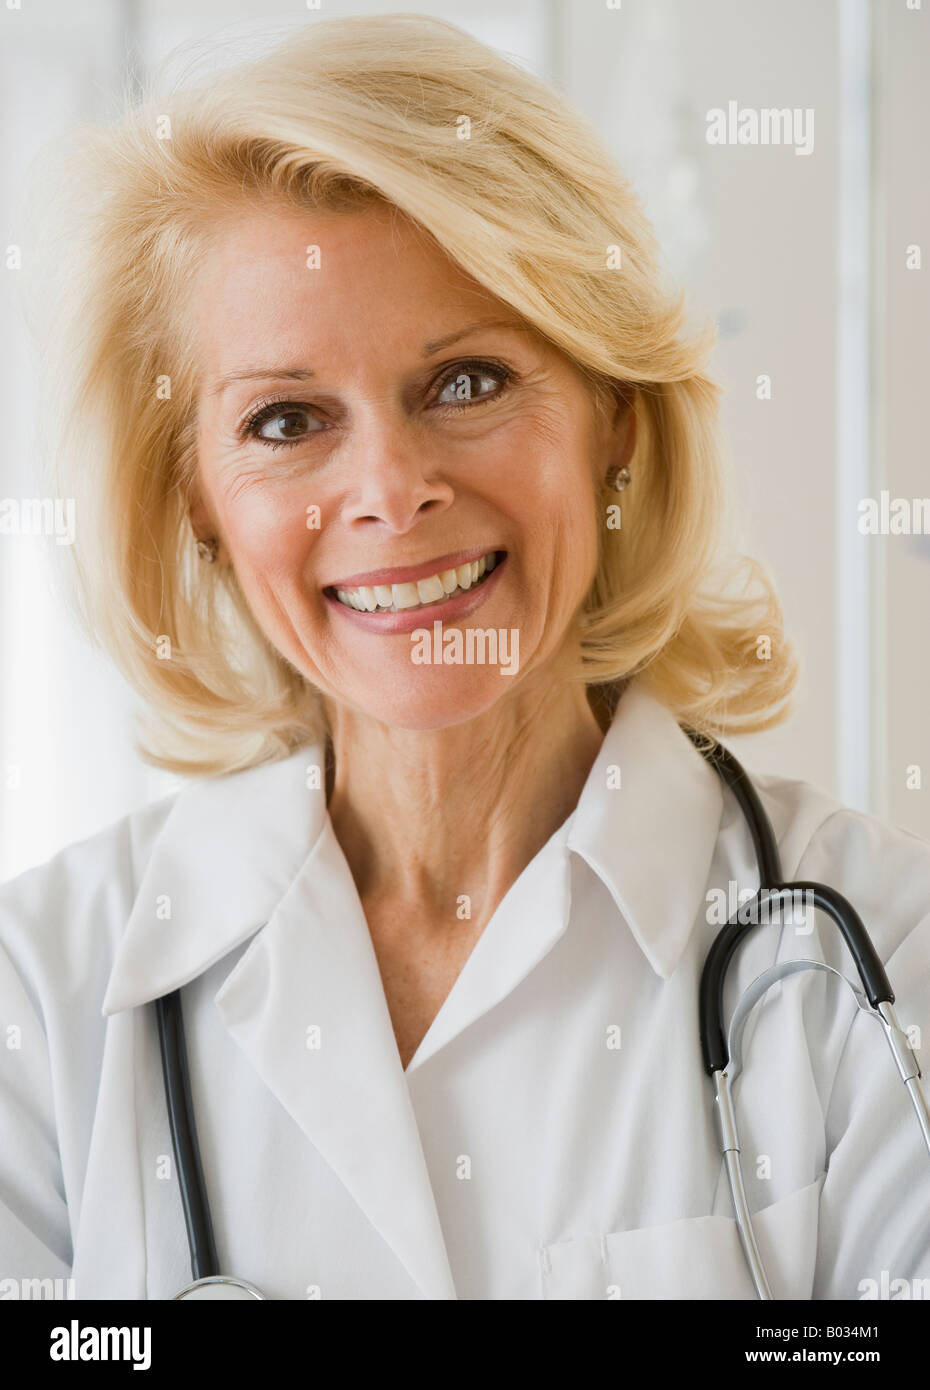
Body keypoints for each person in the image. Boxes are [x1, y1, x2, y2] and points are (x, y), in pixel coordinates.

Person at [2, 12, 928, 1301]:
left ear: (614, 413)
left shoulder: (881, 949)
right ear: (196, 501)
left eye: (469, 383)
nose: (392, 491)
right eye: (286, 419)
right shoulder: (42, 998)